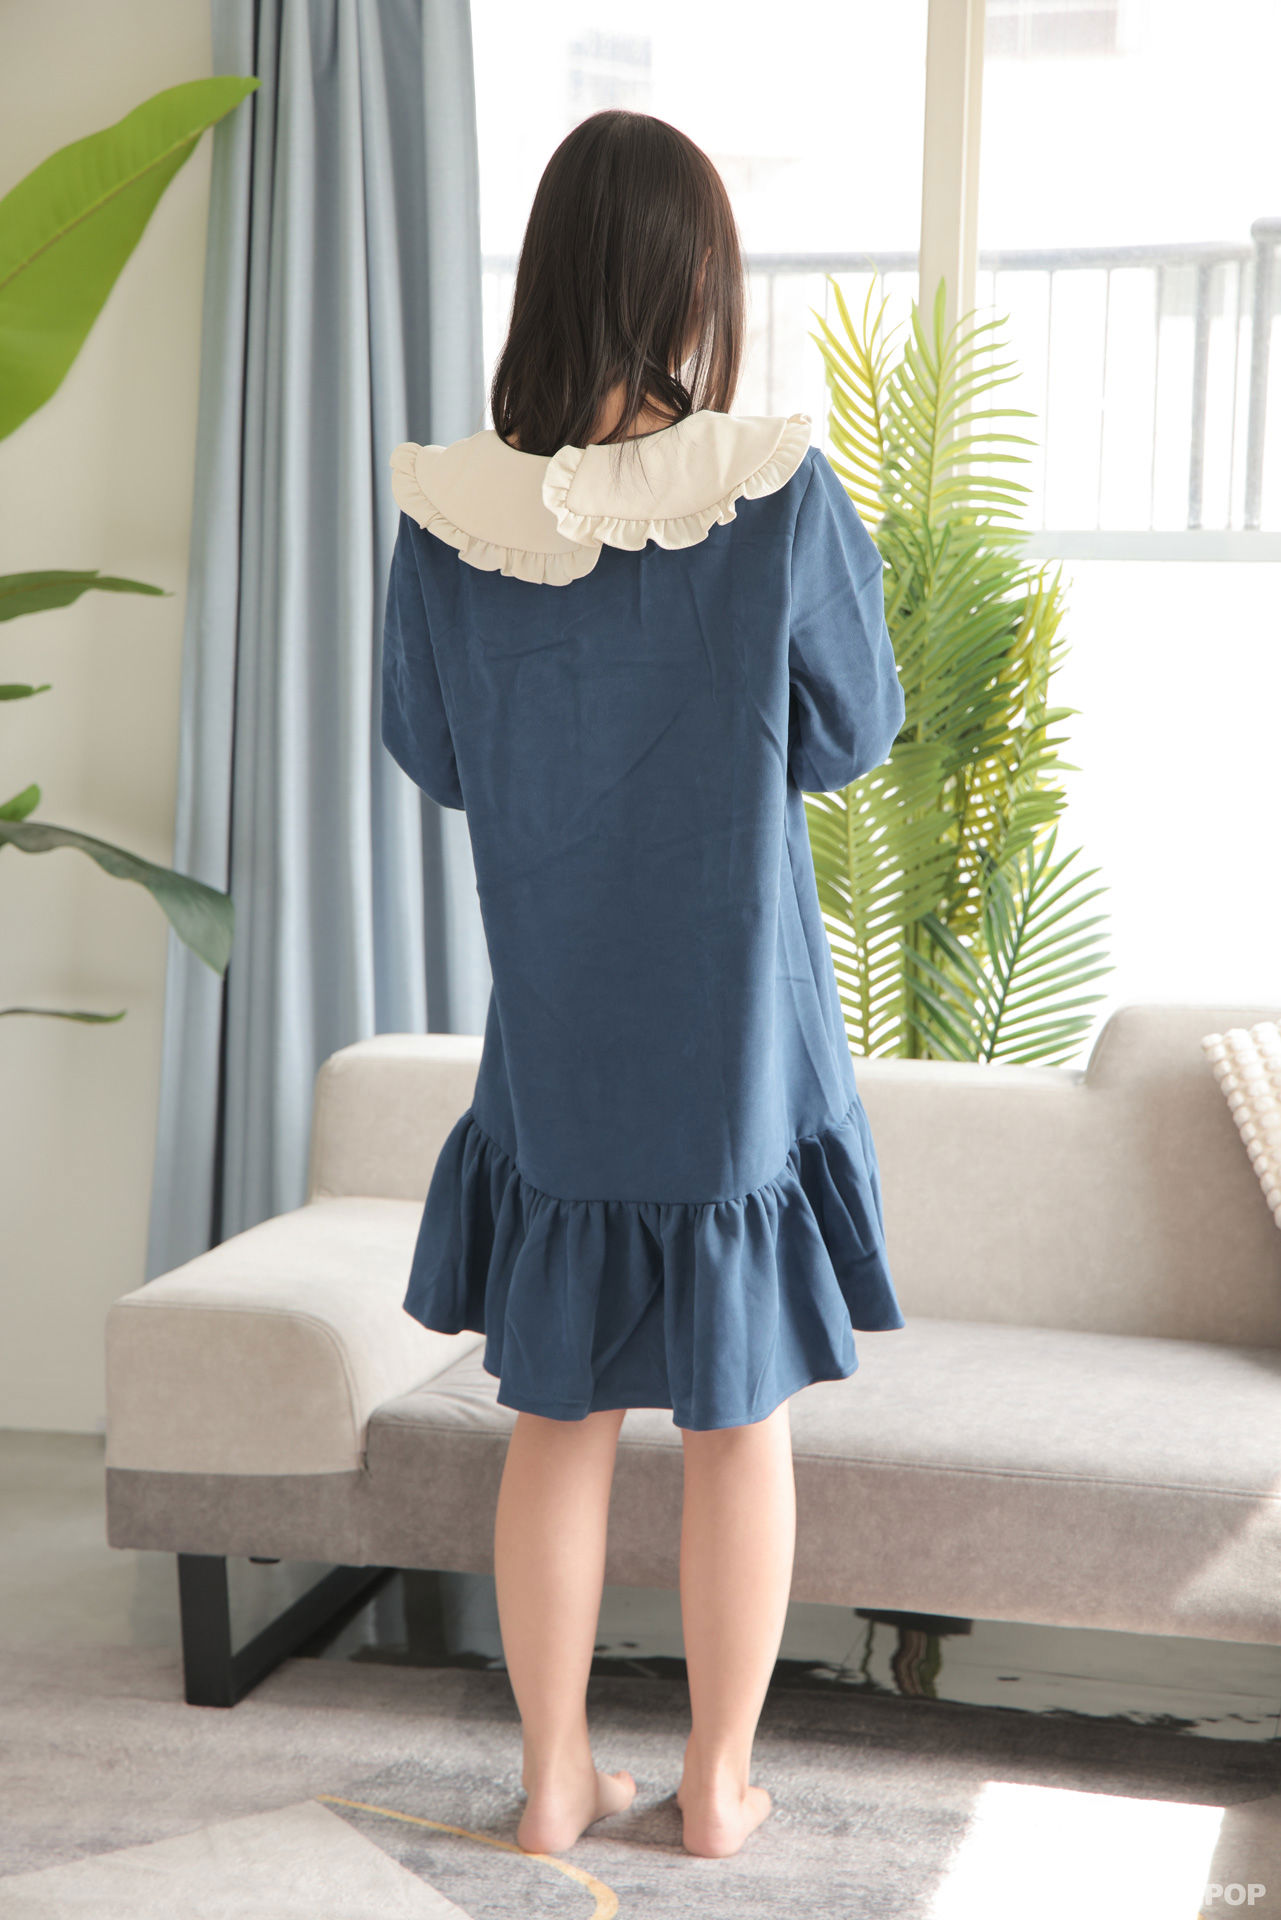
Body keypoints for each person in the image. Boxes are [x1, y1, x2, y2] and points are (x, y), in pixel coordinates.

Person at [380, 108, 907, 1863]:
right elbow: (854, 726)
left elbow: (433, 753)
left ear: (546, 273)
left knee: (557, 1412)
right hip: (736, 1023)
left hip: (558, 1020)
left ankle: (551, 1781)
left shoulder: (450, 514)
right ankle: (715, 1788)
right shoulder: (771, 489)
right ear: (693, 279)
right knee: (738, 1422)